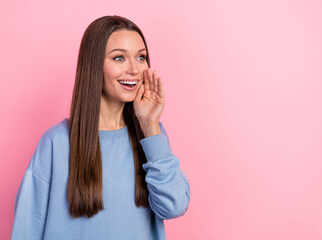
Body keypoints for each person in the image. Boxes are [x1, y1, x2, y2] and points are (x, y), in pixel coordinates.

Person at [11, 15, 190, 240]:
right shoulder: (56, 142)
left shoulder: (151, 136)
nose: (134, 69)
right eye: (119, 58)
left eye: (141, 57)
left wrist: (150, 125)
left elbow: (173, 207)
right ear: (95, 65)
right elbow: (26, 230)